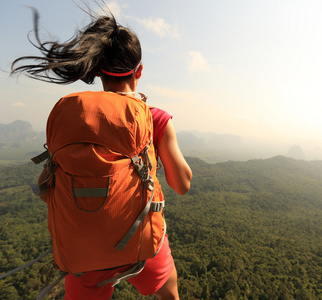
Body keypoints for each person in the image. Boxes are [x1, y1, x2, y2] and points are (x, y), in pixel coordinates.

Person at [11, 7, 192, 300]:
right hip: (143, 246)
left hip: (84, 255)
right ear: (140, 70)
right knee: (170, 293)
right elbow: (182, 186)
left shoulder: (76, 118)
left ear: (97, 72)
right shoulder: (154, 118)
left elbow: (46, 189)